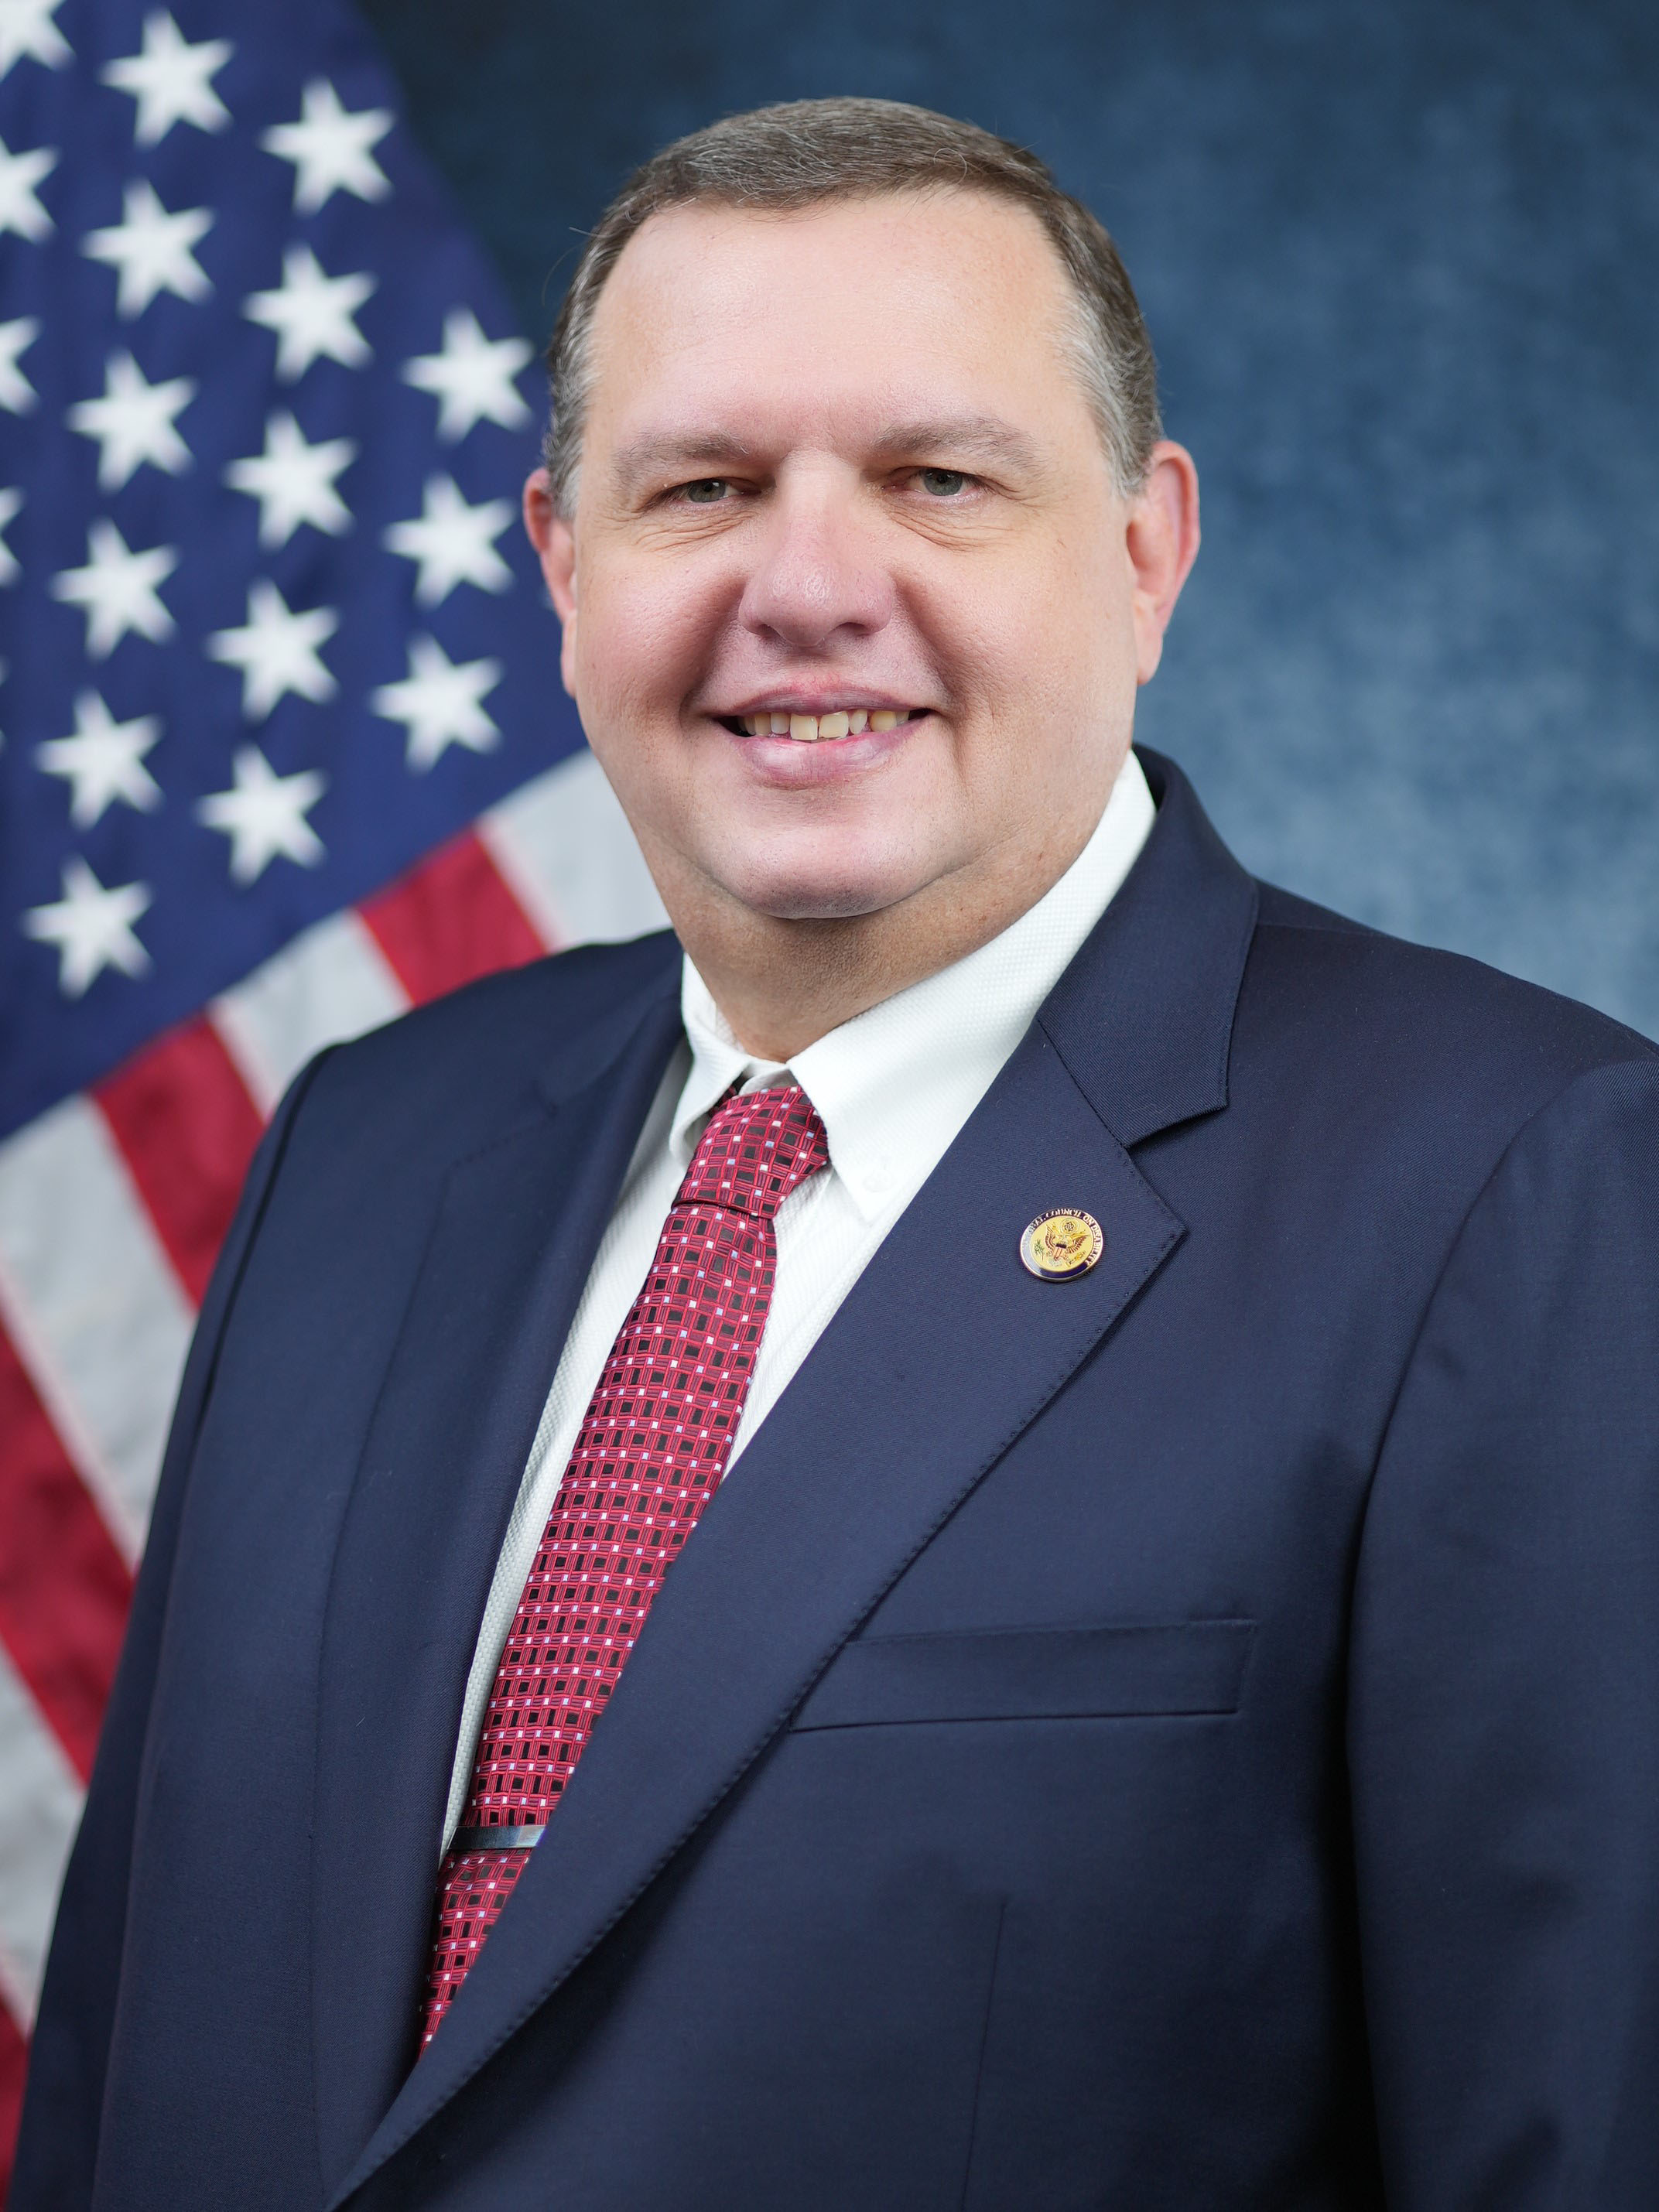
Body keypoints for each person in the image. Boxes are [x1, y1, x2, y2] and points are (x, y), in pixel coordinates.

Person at [15, 96, 1659, 2212]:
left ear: (1146, 554)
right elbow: (123, 2061)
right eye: (703, 486)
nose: (807, 587)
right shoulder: (365, 1148)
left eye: (936, 480)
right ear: (563, 564)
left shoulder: (1514, 1188)